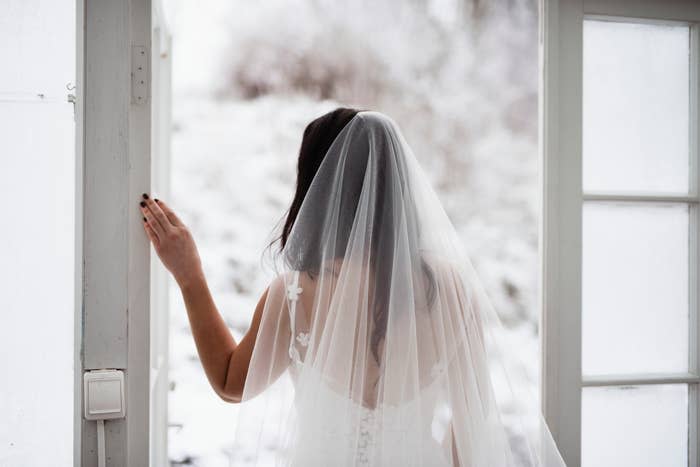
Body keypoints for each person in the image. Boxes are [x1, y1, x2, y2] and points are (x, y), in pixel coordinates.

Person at [139, 108, 566, 466]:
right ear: (399, 187)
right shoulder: (451, 289)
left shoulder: (295, 295)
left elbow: (232, 382)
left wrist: (190, 276)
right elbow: (474, 425)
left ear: (316, 191)